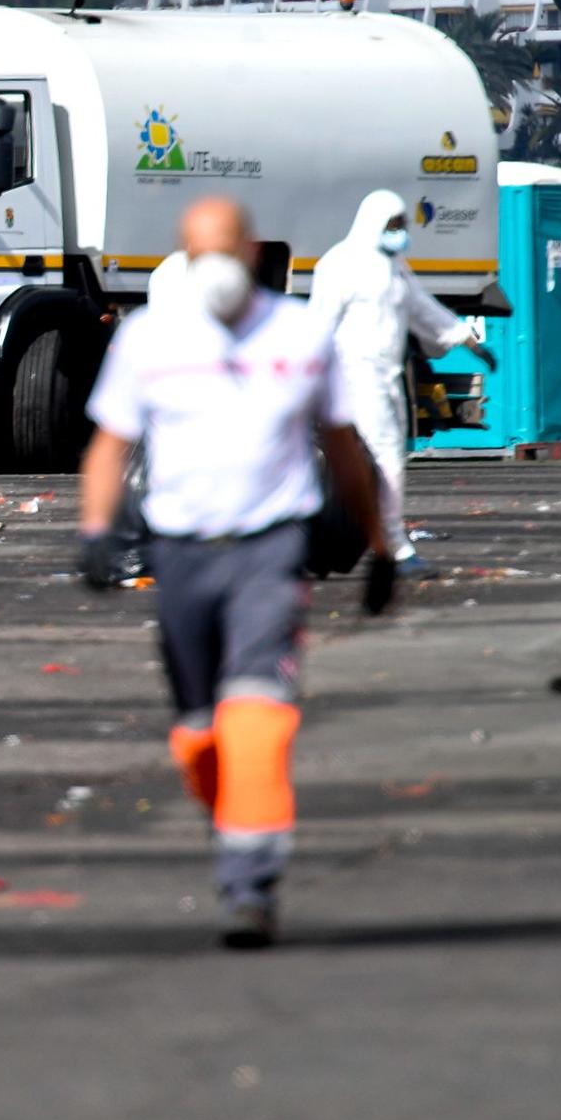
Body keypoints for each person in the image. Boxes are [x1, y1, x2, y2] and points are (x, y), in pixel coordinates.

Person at [77, 196, 392, 949]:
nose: (214, 265)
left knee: (255, 712)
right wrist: (94, 529)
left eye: (225, 249)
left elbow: (345, 451)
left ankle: (249, 884)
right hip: (181, 553)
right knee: (198, 734)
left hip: (270, 549)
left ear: (251, 251)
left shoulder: (300, 334)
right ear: (184, 262)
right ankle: (234, 816)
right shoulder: (147, 341)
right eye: (198, 252)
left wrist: (380, 546)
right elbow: (108, 446)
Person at [309, 189, 496, 579]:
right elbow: (319, 324)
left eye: (401, 225)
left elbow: (423, 309)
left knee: (383, 461)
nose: (399, 233)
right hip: (354, 376)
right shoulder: (340, 265)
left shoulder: (395, 269)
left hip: (388, 379)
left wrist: (468, 341)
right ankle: (393, 548)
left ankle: (363, 543)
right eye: (393, 225)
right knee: (384, 460)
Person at [145, 196, 256, 309]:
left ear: (250, 249)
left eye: (225, 253)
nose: (215, 263)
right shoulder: (168, 274)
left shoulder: (273, 320)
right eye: (203, 255)